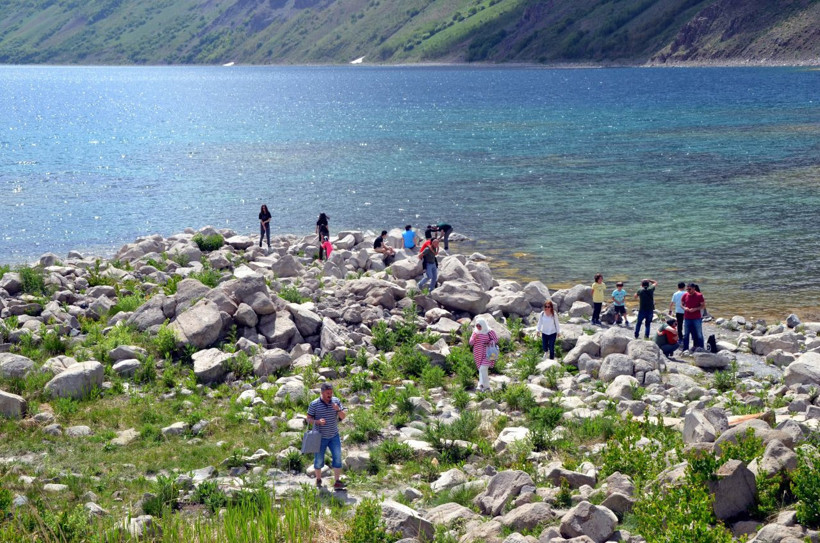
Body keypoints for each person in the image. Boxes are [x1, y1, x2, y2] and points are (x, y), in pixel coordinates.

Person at [306, 383, 347, 490]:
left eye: (331, 392)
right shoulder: (314, 404)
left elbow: (343, 417)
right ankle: (318, 479)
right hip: (320, 437)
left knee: (337, 457)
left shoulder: (336, 401)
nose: (330, 394)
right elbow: (308, 419)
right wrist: (317, 421)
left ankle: (337, 481)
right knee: (319, 460)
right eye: (327, 393)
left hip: (334, 435)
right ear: (322, 392)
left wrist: (338, 409)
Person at [469, 318, 498, 392]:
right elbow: (470, 343)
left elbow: (496, 339)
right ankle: (483, 386)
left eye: (480, 326)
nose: (478, 327)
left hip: (488, 353)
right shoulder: (475, 332)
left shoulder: (489, 331)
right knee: (481, 370)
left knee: (483, 368)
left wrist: (490, 342)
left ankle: (484, 386)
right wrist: (474, 338)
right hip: (478, 353)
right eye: (477, 325)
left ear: (483, 325)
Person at [682, 282, 706, 353]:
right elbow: (681, 304)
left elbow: (703, 306)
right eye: (687, 289)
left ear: (694, 288)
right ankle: (685, 349)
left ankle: (701, 348)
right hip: (687, 317)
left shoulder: (699, 295)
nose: (688, 291)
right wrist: (684, 308)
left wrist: (695, 309)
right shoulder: (685, 295)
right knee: (686, 334)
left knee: (699, 333)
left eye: (689, 289)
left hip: (696, 318)